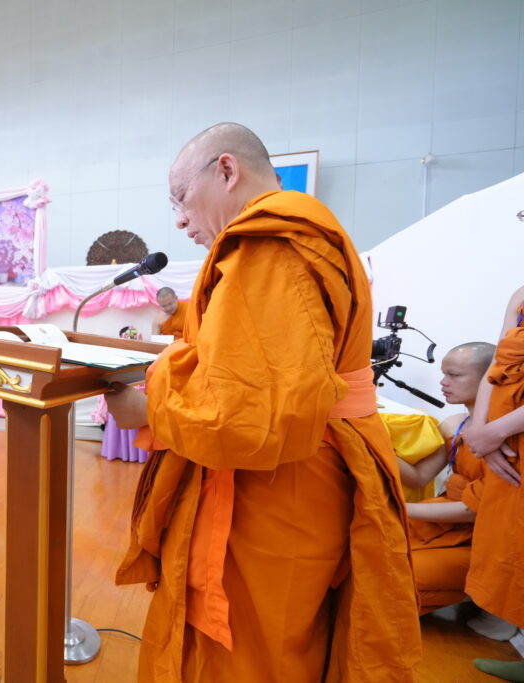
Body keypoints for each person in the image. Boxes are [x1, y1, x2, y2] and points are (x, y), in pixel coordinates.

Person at [105, 122, 420, 681]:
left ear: (227, 170)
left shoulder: (269, 242)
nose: (179, 219)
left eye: (181, 198)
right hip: (302, 464)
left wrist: (149, 410)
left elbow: (248, 412)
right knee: (284, 634)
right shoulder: (291, 235)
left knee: (254, 644)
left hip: (280, 478)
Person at [396, 343, 494, 614]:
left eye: (454, 375)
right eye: (443, 373)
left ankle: (484, 604)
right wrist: (373, 444)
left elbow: (474, 510)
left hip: (482, 539)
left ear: (489, 380)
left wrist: (399, 508)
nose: (443, 382)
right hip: (440, 520)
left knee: (396, 575)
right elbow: (419, 477)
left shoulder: (505, 436)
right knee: (363, 549)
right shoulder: (454, 424)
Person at [464, 285, 524, 681]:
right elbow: (497, 365)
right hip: (505, 447)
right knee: (513, 545)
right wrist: (481, 431)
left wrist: (497, 430)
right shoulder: (520, 294)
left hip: (507, 436)